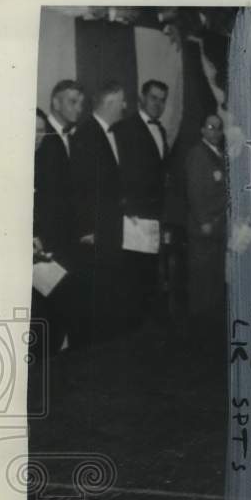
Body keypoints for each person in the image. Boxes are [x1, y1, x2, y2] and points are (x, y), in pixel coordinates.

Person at [69, 81, 128, 346]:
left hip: (109, 229)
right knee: (94, 295)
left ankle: (104, 347)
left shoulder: (108, 133)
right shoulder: (87, 134)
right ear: (110, 103)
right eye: (122, 101)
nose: (125, 106)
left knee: (106, 290)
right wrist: (87, 229)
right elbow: (79, 187)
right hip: (95, 232)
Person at [33, 81, 85, 353]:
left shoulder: (70, 138)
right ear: (55, 102)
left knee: (59, 315)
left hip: (63, 243)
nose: (79, 108)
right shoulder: (42, 141)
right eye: (72, 101)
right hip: (45, 244)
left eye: (81, 103)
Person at [114, 79, 170, 330]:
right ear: (142, 99)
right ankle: (129, 334)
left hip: (154, 216)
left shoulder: (162, 131)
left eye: (162, 100)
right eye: (153, 98)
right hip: (133, 218)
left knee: (149, 277)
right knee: (131, 278)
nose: (158, 104)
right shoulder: (125, 128)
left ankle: (142, 334)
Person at [184, 113, 229, 328]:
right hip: (205, 227)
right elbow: (194, 191)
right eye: (211, 127)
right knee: (201, 280)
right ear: (202, 130)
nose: (216, 132)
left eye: (219, 128)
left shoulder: (219, 153)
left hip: (219, 226)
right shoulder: (197, 154)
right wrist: (203, 221)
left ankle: (210, 325)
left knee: (215, 278)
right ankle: (199, 327)